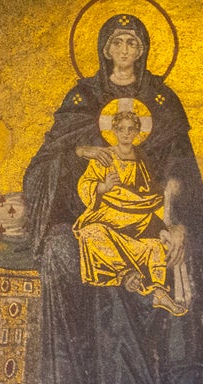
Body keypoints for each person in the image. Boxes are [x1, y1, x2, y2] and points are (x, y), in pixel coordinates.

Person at [21, 13, 203, 384]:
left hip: (151, 217)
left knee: (179, 270)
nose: (125, 51)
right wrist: (80, 151)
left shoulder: (162, 100)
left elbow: (180, 172)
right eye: (117, 42)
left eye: (133, 43)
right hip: (91, 216)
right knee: (66, 255)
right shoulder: (83, 98)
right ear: (103, 48)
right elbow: (44, 165)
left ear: (144, 49)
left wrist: (177, 223)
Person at [74, 108, 187, 316]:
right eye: (121, 129)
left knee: (155, 247)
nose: (126, 133)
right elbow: (84, 185)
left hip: (137, 222)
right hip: (108, 218)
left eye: (131, 129)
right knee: (91, 233)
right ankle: (126, 275)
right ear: (114, 131)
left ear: (137, 132)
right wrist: (103, 187)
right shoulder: (104, 157)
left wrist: (163, 226)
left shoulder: (141, 161)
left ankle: (160, 293)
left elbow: (148, 197)